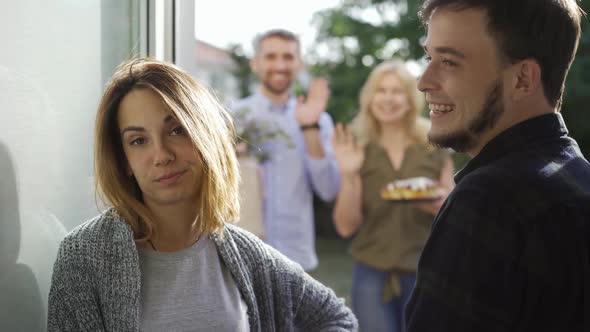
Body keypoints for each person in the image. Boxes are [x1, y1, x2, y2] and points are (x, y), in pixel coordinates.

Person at [47, 58, 357, 331]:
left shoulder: (245, 253)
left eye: (176, 130)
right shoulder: (83, 256)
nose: (162, 155)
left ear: (204, 136)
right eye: (138, 140)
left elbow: (337, 318)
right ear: (123, 160)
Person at [405, 1, 590, 331]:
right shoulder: (579, 178)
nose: (424, 80)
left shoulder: (490, 200)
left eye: (448, 61)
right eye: (428, 58)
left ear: (522, 79)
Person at [331, 60, 455, 332]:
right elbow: (345, 226)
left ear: (410, 97)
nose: (388, 99)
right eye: (381, 90)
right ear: (369, 97)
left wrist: (439, 204)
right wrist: (349, 174)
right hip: (372, 273)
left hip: (427, 270)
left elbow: (453, 210)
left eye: (397, 91)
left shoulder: (435, 141)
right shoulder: (357, 144)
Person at [231, 29, 340, 271]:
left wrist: (309, 127)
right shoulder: (233, 117)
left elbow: (328, 190)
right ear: (255, 63)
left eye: (288, 57)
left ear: (299, 64)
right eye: (271, 57)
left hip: (296, 258)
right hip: (241, 255)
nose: (280, 65)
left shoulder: (318, 121)